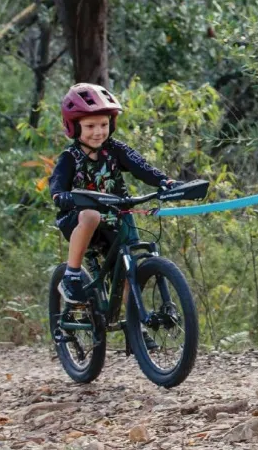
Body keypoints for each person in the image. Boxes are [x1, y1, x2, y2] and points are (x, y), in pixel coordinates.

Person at [49, 82, 178, 308]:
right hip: (79, 220)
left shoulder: (115, 150)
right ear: (74, 127)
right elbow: (57, 183)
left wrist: (163, 181)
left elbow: (140, 166)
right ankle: (71, 275)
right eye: (90, 126)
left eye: (103, 124)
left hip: (116, 217)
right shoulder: (70, 157)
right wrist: (61, 196)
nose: (98, 132)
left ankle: (133, 327)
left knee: (133, 270)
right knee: (90, 215)